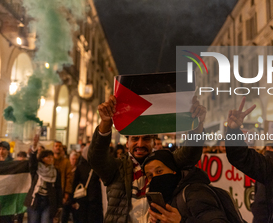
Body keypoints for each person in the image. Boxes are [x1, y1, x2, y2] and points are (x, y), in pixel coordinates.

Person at [88, 95, 205, 223]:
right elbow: (95, 158)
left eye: (146, 139)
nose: (140, 144)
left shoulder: (165, 162)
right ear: (127, 143)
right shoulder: (116, 168)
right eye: (134, 139)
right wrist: (105, 124)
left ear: (154, 142)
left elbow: (190, 154)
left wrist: (196, 126)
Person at [143, 150, 231, 223]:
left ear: (173, 170)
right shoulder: (170, 195)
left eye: (159, 171)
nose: (155, 177)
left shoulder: (195, 192)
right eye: (150, 175)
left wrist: (181, 221)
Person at [24, 140, 62, 223]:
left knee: (46, 221)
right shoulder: (36, 169)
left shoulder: (55, 171)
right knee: (33, 220)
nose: (50, 159)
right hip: (36, 200)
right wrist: (34, 146)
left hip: (49, 201)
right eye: (48, 157)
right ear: (42, 158)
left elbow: (58, 188)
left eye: (51, 157)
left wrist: (59, 205)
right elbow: (32, 161)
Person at [72, 146, 103, 223]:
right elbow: (75, 183)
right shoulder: (81, 167)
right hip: (85, 199)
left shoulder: (97, 166)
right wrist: (72, 200)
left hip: (92, 200)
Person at [53, 141, 73, 223]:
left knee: (60, 215)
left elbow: (69, 178)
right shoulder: (50, 161)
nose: (58, 147)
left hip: (61, 192)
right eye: (56, 146)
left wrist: (67, 193)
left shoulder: (66, 162)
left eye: (59, 146)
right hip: (51, 192)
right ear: (53, 148)